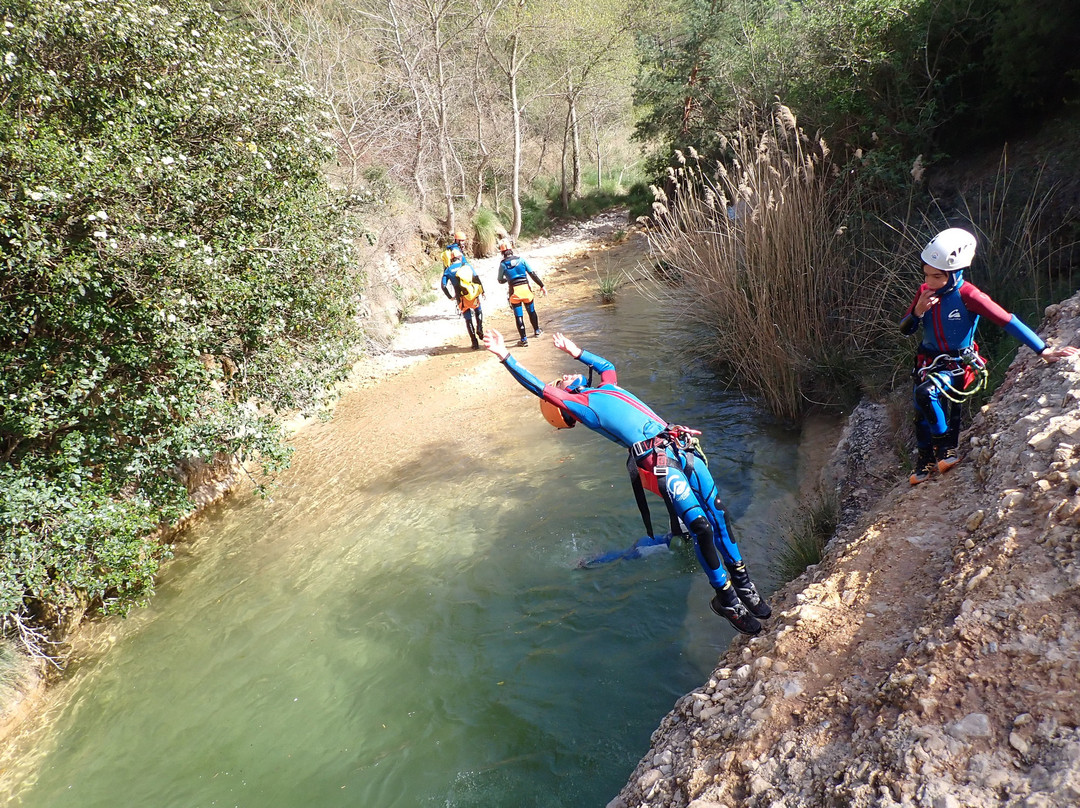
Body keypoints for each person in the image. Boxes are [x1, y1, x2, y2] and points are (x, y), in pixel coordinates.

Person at [482, 328, 772, 635]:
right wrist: (505, 356)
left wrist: (576, 351)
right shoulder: (584, 409)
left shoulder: (606, 388)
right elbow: (540, 388)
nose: (562, 377)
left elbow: (606, 366)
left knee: (719, 514)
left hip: (680, 447)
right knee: (701, 526)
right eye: (560, 383)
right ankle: (726, 599)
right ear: (562, 406)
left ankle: (743, 583)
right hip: (660, 463)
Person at [900, 227, 1077, 485]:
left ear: (955, 272)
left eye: (937, 276)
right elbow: (906, 329)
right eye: (926, 274)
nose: (930, 281)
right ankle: (925, 460)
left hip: (955, 365)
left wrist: (1044, 350)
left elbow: (1007, 320)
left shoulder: (968, 295)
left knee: (926, 395)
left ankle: (945, 450)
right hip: (926, 363)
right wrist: (917, 311)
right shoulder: (925, 292)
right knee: (920, 413)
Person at [496, 238, 546, 347]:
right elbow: (532, 274)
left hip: (514, 292)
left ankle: (524, 340)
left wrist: (508, 280)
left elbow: (500, 280)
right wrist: (542, 286)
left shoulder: (503, 264)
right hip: (526, 290)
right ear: (511, 250)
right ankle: (537, 331)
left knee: (519, 316)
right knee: (531, 311)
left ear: (502, 252)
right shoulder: (521, 260)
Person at [440, 230, 486, 350]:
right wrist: (482, 291)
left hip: (460, 298)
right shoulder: (466, 265)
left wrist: (450, 297)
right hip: (472, 294)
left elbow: (443, 286)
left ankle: (474, 343)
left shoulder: (448, 270)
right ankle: (480, 328)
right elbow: (476, 278)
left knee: (467, 319)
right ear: (460, 257)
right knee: (478, 310)